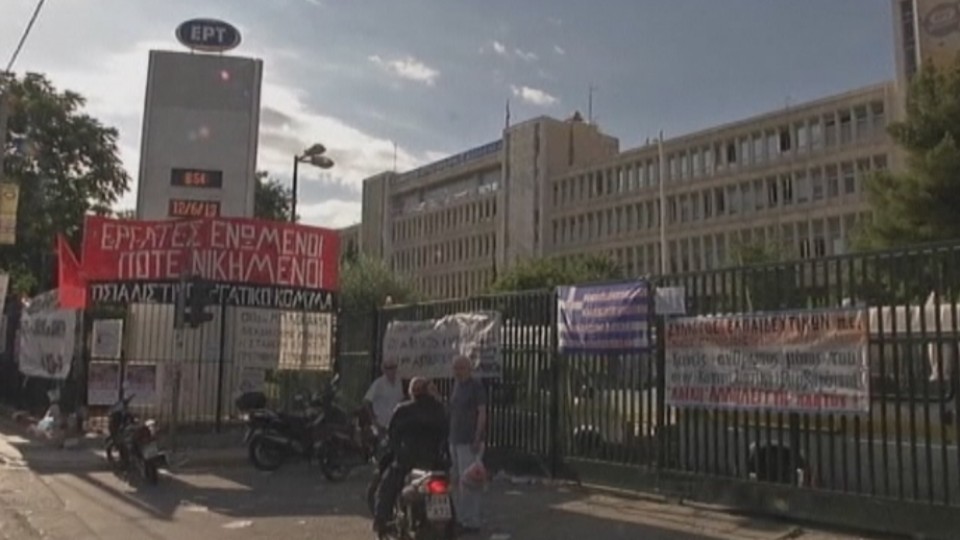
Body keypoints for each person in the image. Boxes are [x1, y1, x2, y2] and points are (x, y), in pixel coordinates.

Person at [373, 377, 449, 537]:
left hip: (407, 461)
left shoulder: (403, 410)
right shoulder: (439, 409)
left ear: (411, 392)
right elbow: (445, 433)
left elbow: (392, 436)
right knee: (446, 490)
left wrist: (392, 452)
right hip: (434, 462)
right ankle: (453, 525)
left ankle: (382, 522)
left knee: (386, 488)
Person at [449, 355, 487, 533]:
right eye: (455, 368)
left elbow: (481, 412)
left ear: (468, 369)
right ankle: (461, 517)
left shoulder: (475, 386)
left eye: (461, 368)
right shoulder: (456, 385)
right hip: (455, 438)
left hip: (469, 439)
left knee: (471, 481)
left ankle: (473, 521)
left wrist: (477, 436)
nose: (457, 372)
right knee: (457, 480)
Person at [363, 359, 405, 436]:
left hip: (396, 424)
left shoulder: (399, 383)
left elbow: (401, 400)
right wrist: (374, 421)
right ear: (384, 370)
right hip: (381, 424)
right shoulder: (378, 383)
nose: (392, 370)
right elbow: (366, 401)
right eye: (389, 368)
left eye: (393, 367)